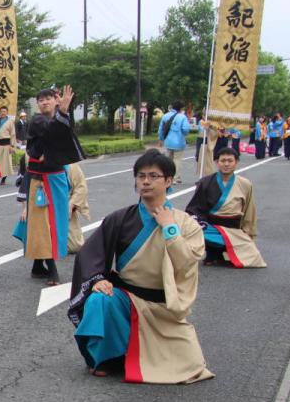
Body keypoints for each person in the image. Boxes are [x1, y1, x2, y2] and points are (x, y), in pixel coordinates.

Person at [69, 149, 213, 384]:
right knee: (99, 300)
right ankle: (109, 357)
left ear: (168, 181)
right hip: (128, 298)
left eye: (154, 176)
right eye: (141, 176)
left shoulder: (185, 223)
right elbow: (91, 253)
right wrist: (98, 279)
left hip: (164, 305)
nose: (146, 181)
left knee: (191, 367)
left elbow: (186, 263)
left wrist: (170, 228)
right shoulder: (120, 218)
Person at [12, 86, 83, 286]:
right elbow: (52, 131)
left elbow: (64, 137)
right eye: (41, 100)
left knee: (56, 223)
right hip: (40, 181)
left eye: (48, 98)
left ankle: (37, 266)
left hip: (57, 178)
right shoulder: (37, 120)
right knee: (43, 225)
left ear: (55, 100)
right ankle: (52, 270)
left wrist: (63, 112)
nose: (44, 102)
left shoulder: (59, 119)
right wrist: (63, 111)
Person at [185, 148, 266, 268]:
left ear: (236, 162)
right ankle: (213, 252)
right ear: (217, 162)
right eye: (223, 161)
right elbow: (194, 208)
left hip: (234, 230)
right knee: (193, 229)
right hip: (211, 228)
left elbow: (249, 210)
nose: (226, 164)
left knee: (255, 260)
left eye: (230, 161)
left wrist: (249, 232)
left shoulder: (245, 184)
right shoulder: (205, 182)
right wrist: (198, 224)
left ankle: (223, 252)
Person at [158, 101, 190, 184]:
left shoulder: (165, 116)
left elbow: (161, 129)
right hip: (179, 142)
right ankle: (175, 178)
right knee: (177, 160)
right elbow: (186, 129)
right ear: (181, 108)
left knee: (168, 160)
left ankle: (168, 176)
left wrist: (161, 139)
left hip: (168, 142)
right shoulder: (182, 117)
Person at [67, 162, 90, 253]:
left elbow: (81, 187)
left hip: (65, 208)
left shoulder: (70, 166)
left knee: (74, 246)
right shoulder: (38, 162)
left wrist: (71, 204)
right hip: (45, 206)